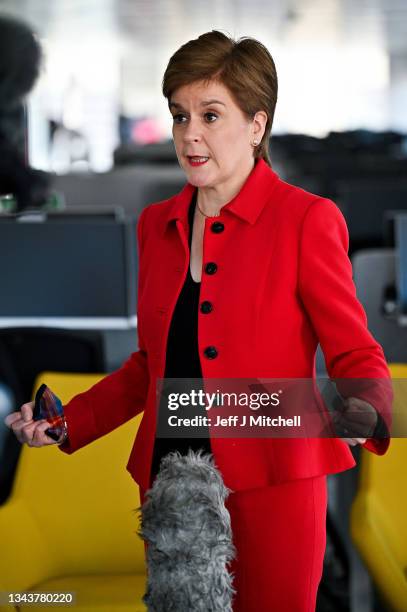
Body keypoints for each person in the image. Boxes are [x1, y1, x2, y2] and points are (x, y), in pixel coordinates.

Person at [4, 30, 392, 611]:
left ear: (256, 126)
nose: (190, 134)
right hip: (170, 484)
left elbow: (356, 352)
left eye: (211, 115)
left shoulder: (305, 220)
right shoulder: (156, 225)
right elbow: (149, 366)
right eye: (180, 115)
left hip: (274, 477)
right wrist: (67, 422)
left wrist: (367, 406)